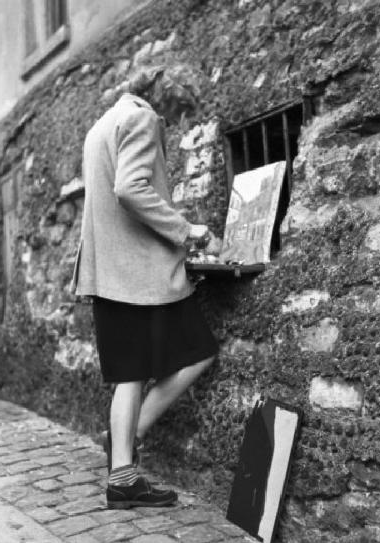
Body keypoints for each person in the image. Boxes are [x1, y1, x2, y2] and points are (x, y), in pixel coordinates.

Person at [70, 62, 218, 509]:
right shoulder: (141, 117)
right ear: (167, 99)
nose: (172, 125)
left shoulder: (103, 123)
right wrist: (186, 230)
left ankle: (122, 458)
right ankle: (124, 458)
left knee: (130, 374)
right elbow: (130, 189)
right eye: (176, 114)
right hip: (135, 272)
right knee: (198, 351)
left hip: (108, 271)